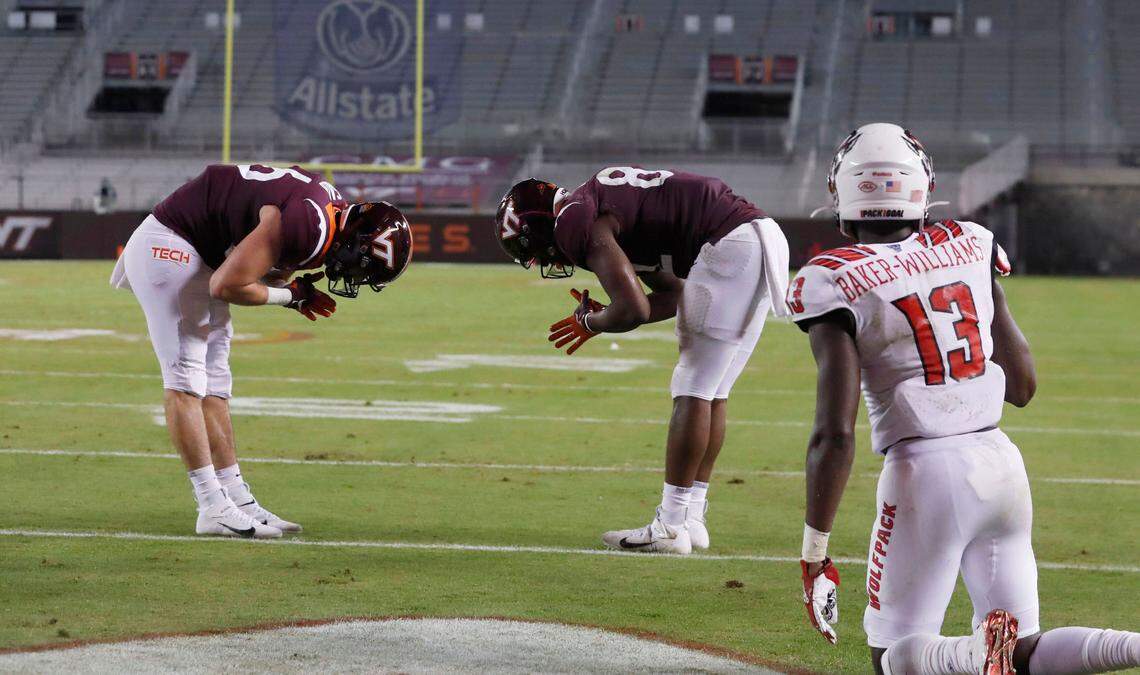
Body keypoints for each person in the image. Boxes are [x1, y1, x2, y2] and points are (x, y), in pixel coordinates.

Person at [792, 123, 1140, 674]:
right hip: (1000, 462)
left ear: (842, 192)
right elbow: (1023, 387)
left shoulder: (831, 278)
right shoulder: (971, 242)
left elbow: (834, 433)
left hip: (924, 473)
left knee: (895, 660)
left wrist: (815, 550)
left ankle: (974, 653)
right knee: (1024, 652)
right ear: (922, 186)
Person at [495, 168, 789, 554]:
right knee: (713, 389)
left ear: (537, 226)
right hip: (758, 238)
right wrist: (606, 318)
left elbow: (632, 309)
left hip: (731, 244)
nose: (543, 257)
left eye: (532, 248)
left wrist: (591, 320)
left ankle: (670, 526)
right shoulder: (598, 208)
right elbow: (673, 295)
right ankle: (691, 518)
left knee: (693, 386)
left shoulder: (572, 219)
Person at [110, 164, 412, 539]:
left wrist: (287, 284)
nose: (353, 278)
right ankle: (210, 505)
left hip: (201, 250)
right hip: (171, 244)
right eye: (361, 269)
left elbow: (261, 261)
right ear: (356, 242)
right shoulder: (313, 226)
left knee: (216, 382)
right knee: (185, 379)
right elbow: (228, 285)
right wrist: (292, 297)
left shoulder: (329, 211)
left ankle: (236, 498)